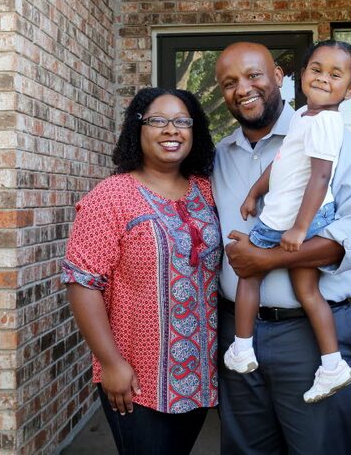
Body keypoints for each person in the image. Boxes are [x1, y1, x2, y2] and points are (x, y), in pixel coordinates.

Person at [212, 41, 351, 454]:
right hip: (238, 333)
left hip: (307, 335)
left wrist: (266, 259)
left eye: (253, 76)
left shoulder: (334, 139)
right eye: (230, 82)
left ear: (279, 77)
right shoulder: (219, 155)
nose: (243, 89)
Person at [62, 88, 220, 455]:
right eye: (158, 121)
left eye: (182, 122)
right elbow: (81, 283)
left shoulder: (207, 190)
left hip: (198, 372)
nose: (172, 130)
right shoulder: (112, 196)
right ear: (138, 129)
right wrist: (111, 363)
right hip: (136, 375)